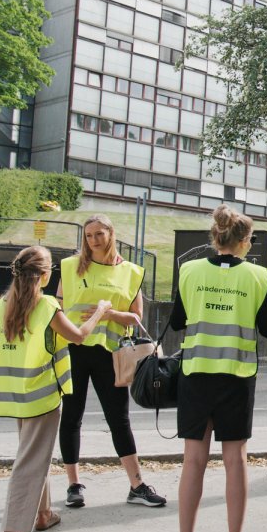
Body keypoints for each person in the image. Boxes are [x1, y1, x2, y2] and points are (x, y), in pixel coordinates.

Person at [169, 205, 267, 532]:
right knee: (235, 461)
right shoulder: (258, 276)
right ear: (245, 240)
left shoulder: (188, 270)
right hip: (236, 377)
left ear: (214, 237)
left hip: (196, 375)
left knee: (193, 462)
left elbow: (176, 322)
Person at [0, 246, 110, 532]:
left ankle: (42, 514)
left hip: (15, 394)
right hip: (41, 394)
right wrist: (100, 311)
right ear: (44, 275)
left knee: (36, 453)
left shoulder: (3, 303)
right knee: (30, 462)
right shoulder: (45, 306)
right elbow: (79, 336)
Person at [57, 214, 164, 509]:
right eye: (89, 235)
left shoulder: (129, 271)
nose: (94, 240)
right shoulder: (69, 267)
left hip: (111, 352)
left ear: (111, 234)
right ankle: (73, 484)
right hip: (75, 349)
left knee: (119, 419)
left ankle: (137, 485)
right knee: (71, 417)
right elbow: (58, 308)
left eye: (99, 234)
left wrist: (110, 314)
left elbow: (136, 317)